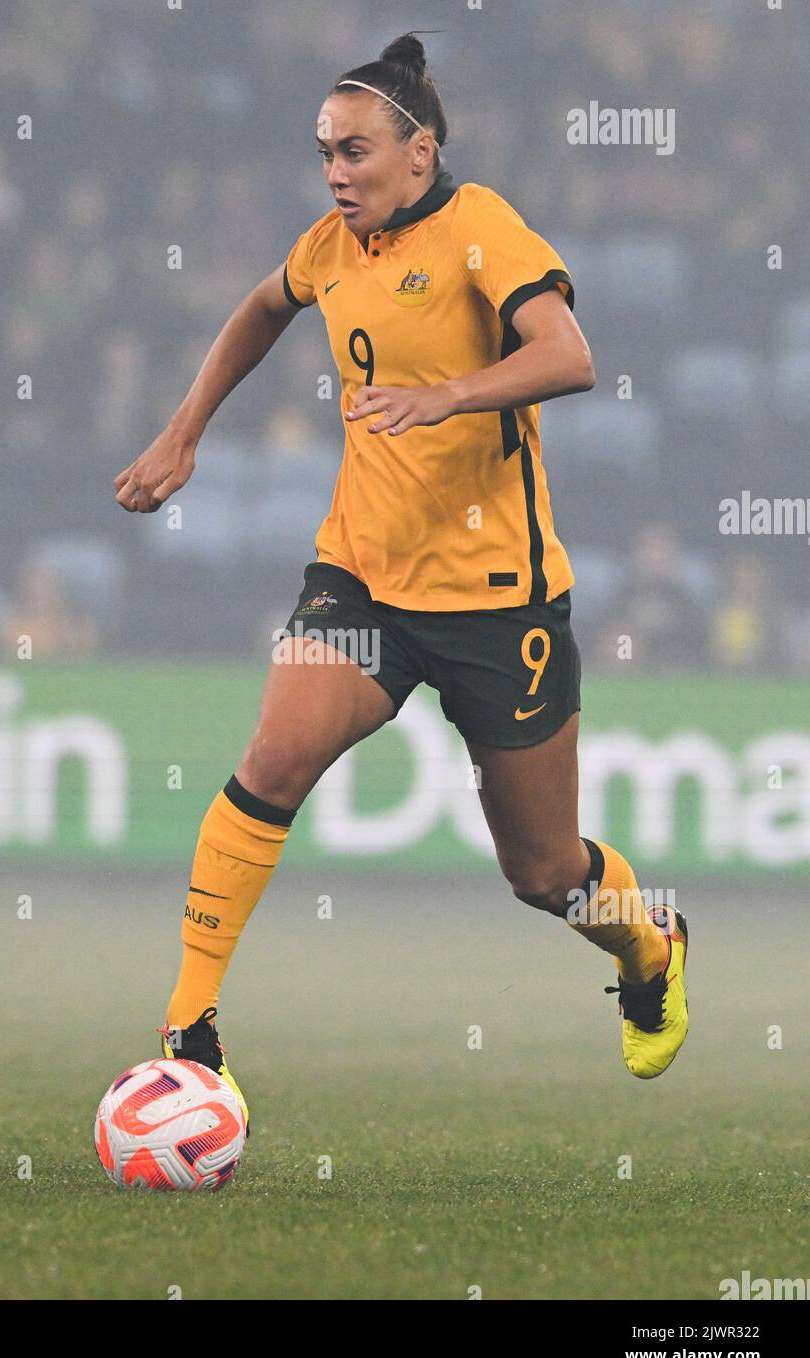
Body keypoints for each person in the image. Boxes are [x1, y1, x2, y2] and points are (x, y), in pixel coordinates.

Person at [114, 33, 688, 1132]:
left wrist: (452, 395)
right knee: (272, 757)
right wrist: (183, 432)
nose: (336, 172)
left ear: (418, 152)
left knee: (541, 870)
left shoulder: (482, 229)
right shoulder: (333, 243)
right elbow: (260, 309)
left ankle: (647, 944)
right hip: (363, 582)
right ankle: (187, 1028)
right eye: (324, 152)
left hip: (496, 602)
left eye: (355, 152)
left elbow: (568, 356)